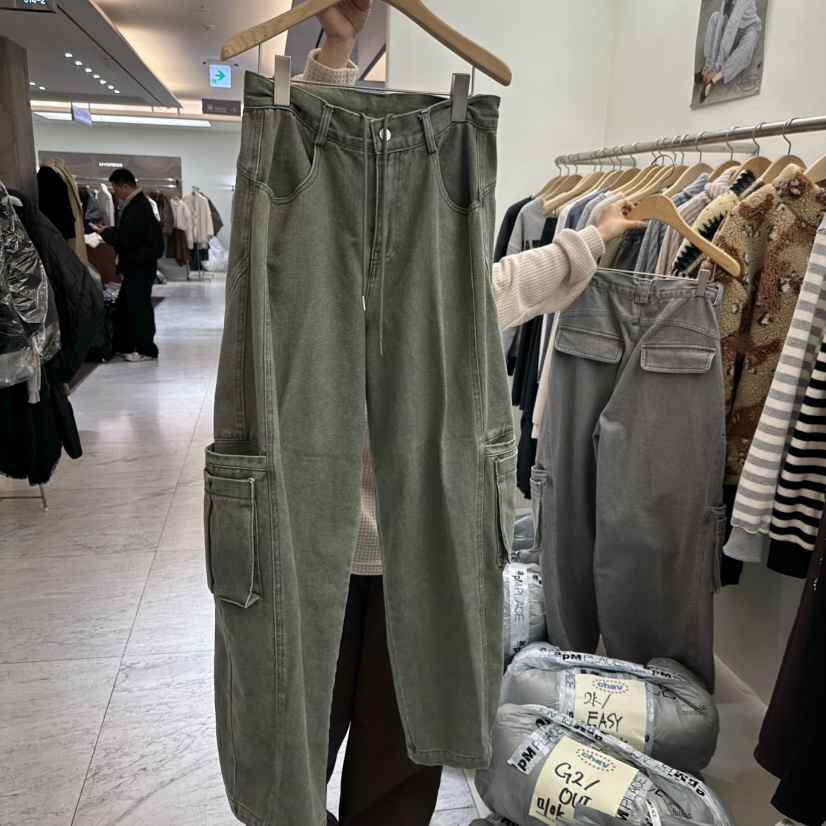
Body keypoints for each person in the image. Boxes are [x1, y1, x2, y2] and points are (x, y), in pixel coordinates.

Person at [296, 4, 645, 826]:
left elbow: (532, 276)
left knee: (401, 744)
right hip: (313, 548)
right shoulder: (301, 286)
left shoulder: (451, 294)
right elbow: (304, 172)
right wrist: (335, 50)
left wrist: (598, 235)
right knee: (299, 738)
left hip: (417, 556)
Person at [91, 169, 164, 362]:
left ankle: (147, 349)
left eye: (116, 190)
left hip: (139, 265)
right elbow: (131, 234)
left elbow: (128, 239)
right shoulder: (139, 205)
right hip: (139, 264)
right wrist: (111, 231)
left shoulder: (137, 207)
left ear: (125, 186)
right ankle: (127, 345)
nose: (117, 194)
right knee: (127, 306)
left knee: (138, 308)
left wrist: (106, 233)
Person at [696, 0, 762, 104]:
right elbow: (720, 25)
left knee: (751, 38)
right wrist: (710, 64)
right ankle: (706, 68)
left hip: (745, 29)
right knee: (715, 17)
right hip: (732, 27)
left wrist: (716, 69)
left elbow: (730, 30)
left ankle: (716, 78)